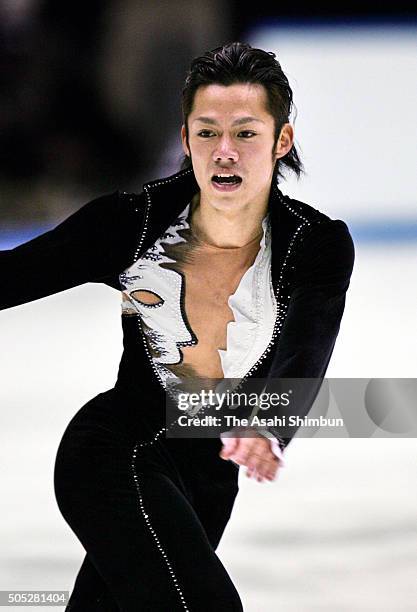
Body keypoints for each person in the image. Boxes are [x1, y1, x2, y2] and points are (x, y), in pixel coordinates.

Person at [0, 42, 355, 611]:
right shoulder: (133, 222)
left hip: (206, 483)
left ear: (280, 140)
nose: (224, 153)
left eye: (245, 132)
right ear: (186, 139)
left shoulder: (313, 245)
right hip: (114, 452)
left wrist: (267, 424)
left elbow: (307, 344)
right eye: (207, 132)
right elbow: (10, 278)